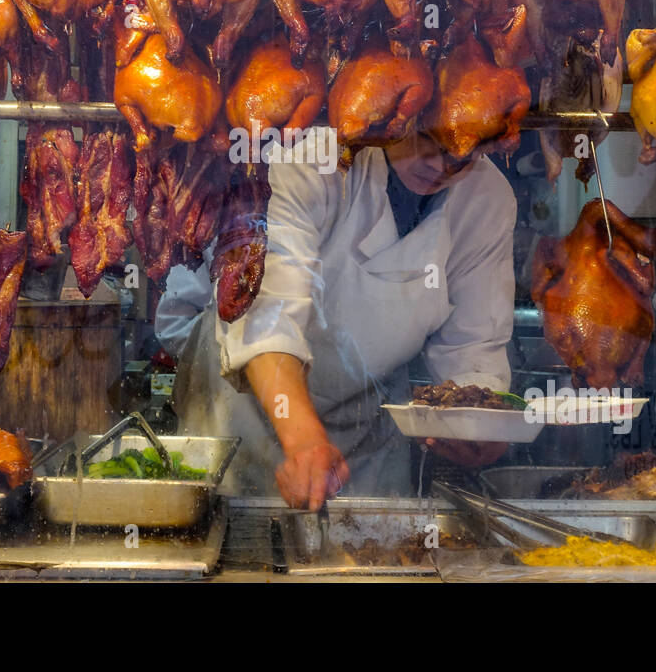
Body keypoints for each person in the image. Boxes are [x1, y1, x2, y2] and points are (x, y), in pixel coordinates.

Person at [155, 126, 517, 509]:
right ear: (397, 115)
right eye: (427, 138)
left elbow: (473, 345)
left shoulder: (486, 198)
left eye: (468, 147)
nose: (442, 162)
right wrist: (305, 440)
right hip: (248, 410)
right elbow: (268, 312)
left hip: (368, 426)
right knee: (240, 548)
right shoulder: (315, 157)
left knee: (371, 556)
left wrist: (480, 425)